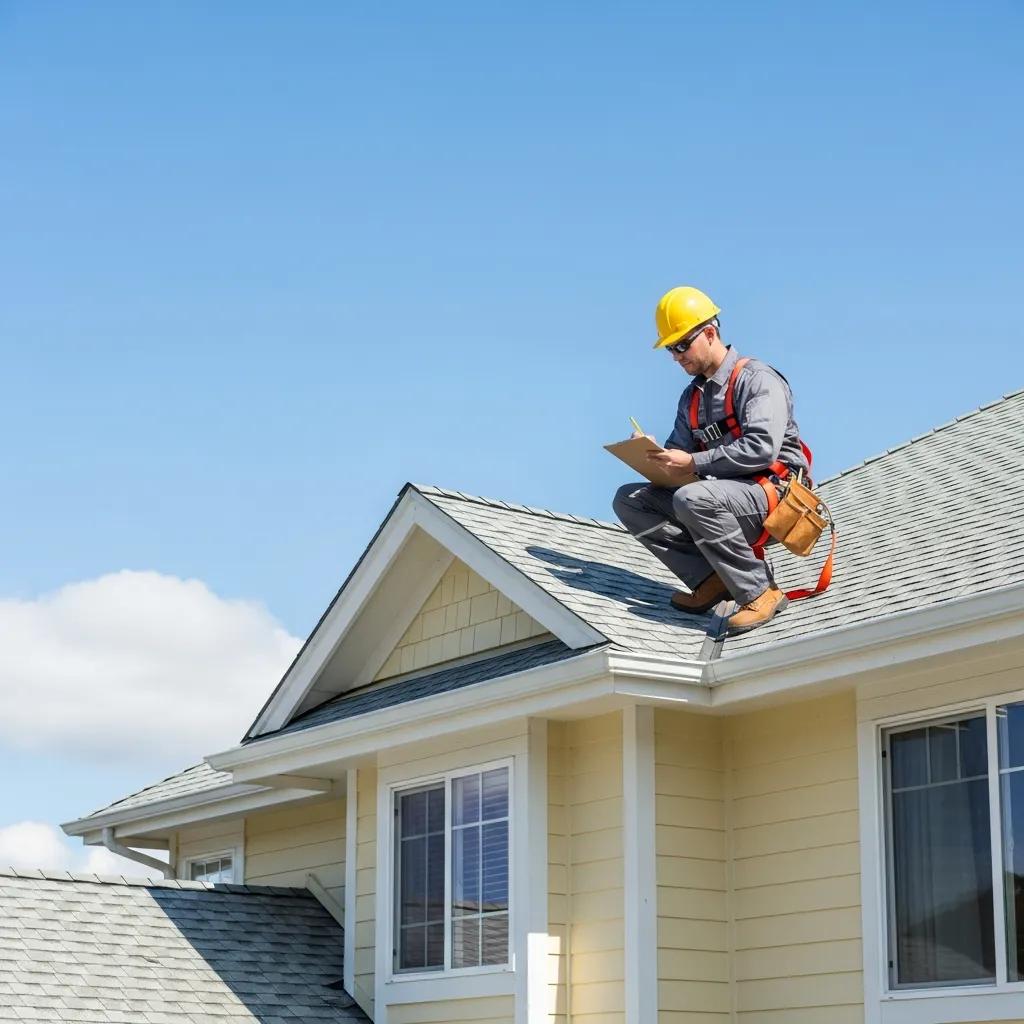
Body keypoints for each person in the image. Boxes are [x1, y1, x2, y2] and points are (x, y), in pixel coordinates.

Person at [612, 286, 809, 635]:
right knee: (630, 499)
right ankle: (712, 578)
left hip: (775, 495)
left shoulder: (756, 379)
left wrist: (692, 462)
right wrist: (652, 455)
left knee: (693, 497)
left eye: (681, 345)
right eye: (670, 349)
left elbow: (761, 448)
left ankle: (760, 591)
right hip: (722, 499)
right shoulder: (691, 398)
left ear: (709, 333)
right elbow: (679, 460)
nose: (676, 356)